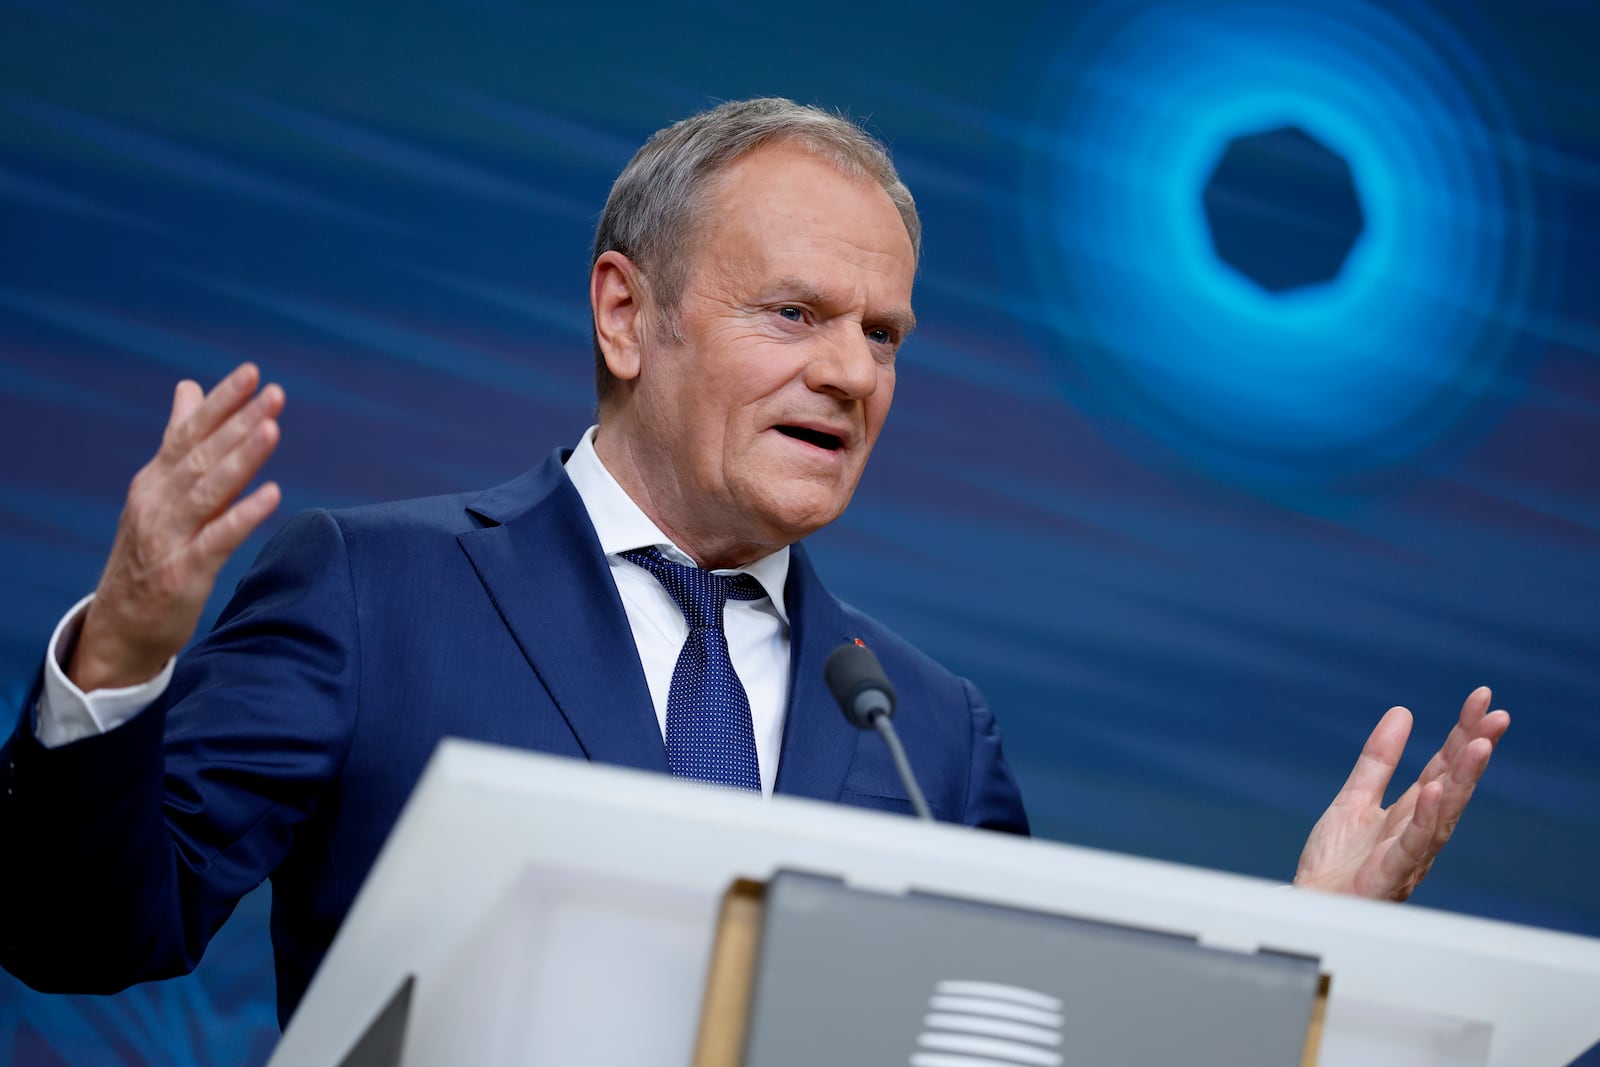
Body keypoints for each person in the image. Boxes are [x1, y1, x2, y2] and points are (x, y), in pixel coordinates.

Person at [0, 98, 1508, 1027]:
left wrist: (1313, 959)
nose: (853, 373)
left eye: (886, 335)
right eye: (796, 314)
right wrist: (125, 653)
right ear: (623, 315)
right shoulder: (370, 592)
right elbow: (81, 939)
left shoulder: (924, 729)